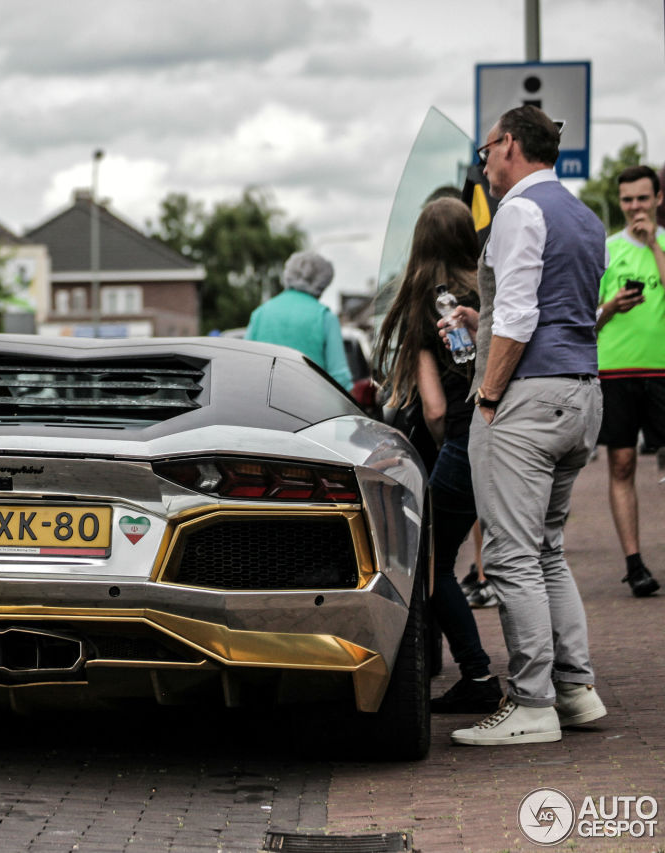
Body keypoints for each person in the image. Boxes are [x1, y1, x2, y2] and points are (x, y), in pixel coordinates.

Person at [444, 106, 608, 746]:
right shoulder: (586, 217)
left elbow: (517, 317)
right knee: (548, 550)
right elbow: (561, 305)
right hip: (581, 393)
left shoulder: (516, 210)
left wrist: (487, 397)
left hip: (526, 402)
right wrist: (473, 312)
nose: (483, 165)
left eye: (487, 151)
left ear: (510, 143)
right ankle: (576, 690)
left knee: (511, 554)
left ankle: (534, 704)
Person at [373, 197, 502, 714]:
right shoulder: (486, 293)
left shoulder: (427, 304)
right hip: (508, 435)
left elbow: (432, 406)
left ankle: (477, 673)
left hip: (465, 440)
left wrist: (445, 442)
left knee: (432, 564)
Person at [593, 164, 664, 598]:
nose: (635, 207)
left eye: (642, 198)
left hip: (662, 372)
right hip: (617, 371)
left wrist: (654, 244)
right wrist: (612, 306)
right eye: (628, 200)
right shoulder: (606, 250)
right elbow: (589, 320)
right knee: (622, 464)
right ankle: (634, 563)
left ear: (657, 199)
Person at [247, 251, 353, 388]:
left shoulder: (260, 313)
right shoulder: (325, 317)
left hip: (260, 403)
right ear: (322, 283)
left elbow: (247, 363)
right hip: (309, 405)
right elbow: (340, 378)